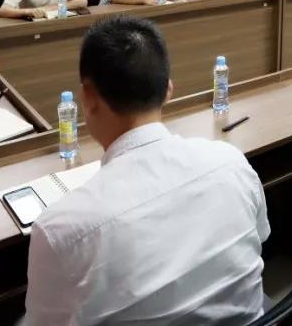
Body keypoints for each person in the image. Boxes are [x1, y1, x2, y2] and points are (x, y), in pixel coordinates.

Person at [24, 17, 269, 324]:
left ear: (87, 98)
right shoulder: (231, 161)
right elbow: (260, 238)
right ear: (168, 90)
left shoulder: (60, 229)